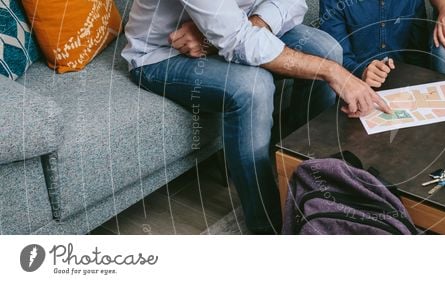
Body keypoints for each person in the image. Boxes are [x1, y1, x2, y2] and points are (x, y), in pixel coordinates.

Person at [121, 0, 391, 234]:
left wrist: (244, 26)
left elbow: (293, 4)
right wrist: (333, 72)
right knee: (254, 87)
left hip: (238, 28)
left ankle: (309, 182)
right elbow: (236, 41)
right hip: (161, 55)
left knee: (326, 49)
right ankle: (267, 222)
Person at [318, 0, 429, 88]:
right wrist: (362, 71)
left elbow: (418, 53)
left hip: (405, 85)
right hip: (353, 87)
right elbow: (335, 57)